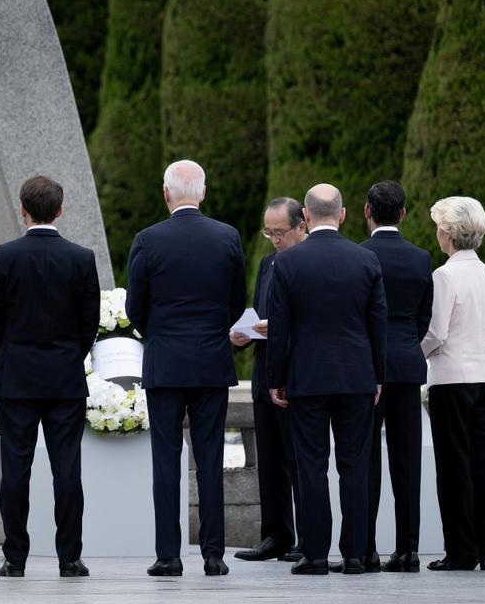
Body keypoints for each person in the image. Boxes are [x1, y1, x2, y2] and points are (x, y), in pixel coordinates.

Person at [126, 160, 246, 578]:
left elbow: (134, 308)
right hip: (212, 361)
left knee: (166, 460)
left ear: (165, 194)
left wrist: (160, 335)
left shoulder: (147, 239)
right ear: (204, 192)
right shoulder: (227, 236)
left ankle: (168, 555)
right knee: (211, 458)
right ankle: (214, 554)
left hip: (165, 362)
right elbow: (236, 302)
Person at [266, 184, 387, 576]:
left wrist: (276, 378)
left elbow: (280, 328)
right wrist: (377, 377)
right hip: (356, 376)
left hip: (308, 376)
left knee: (311, 467)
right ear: (344, 213)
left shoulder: (287, 263)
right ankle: (354, 555)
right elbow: (377, 325)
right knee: (354, 466)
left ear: (306, 213)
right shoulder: (366, 259)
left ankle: (315, 555)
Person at [0, 175, 99, 578]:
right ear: (61, 209)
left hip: (16, 378)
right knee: (67, 469)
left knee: (15, 469)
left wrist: (11, 356)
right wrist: (69, 357)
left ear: (23, 209)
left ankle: (15, 557)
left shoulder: (3, 255)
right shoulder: (81, 257)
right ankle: (69, 557)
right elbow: (90, 323)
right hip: (65, 378)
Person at [360, 181, 432, 572]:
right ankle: (408, 549)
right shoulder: (421, 258)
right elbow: (424, 317)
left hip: (367, 369)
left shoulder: (359, 255)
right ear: (403, 213)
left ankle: (367, 549)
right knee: (407, 463)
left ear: (367, 210)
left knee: (366, 460)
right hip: (407, 364)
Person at [231, 198, 306, 563]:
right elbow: (262, 311)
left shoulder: (310, 261)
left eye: (280, 232)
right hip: (265, 374)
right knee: (270, 461)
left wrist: (275, 328)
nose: (274, 239)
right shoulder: (267, 263)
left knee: (299, 462)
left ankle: (307, 538)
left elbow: (313, 322)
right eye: (269, 232)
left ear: (300, 225)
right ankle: (275, 534)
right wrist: (246, 332)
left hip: (297, 376)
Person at [420, 196, 485, 572]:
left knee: (453, 467)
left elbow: (436, 333)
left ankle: (461, 550)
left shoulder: (445, 275)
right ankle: (484, 544)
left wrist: (418, 352)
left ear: (447, 233)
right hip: (484, 376)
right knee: (483, 463)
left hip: (450, 378)